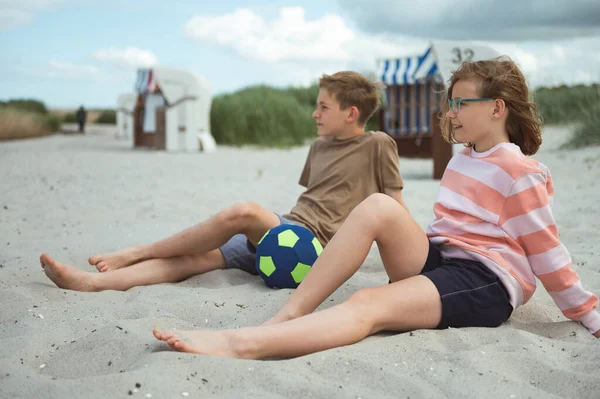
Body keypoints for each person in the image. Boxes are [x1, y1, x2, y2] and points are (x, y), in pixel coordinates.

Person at [152, 57, 600, 359]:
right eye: (451, 103)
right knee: (377, 205)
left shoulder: (520, 172)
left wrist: (587, 312)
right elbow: (446, 228)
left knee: (369, 303)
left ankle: (242, 344)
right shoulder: (465, 157)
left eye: (462, 103)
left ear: (498, 108)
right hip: (441, 258)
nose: (451, 112)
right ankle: (290, 314)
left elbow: (547, 252)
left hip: (484, 280)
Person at [40, 71, 405, 293]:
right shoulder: (319, 146)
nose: (315, 112)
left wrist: (413, 265)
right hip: (284, 234)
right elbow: (313, 198)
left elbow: (394, 207)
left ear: (351, 113)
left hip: (314, 248)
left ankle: (136, 251)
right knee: (193, 259)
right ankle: (92, 283)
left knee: (242, 212)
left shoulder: (378, 143)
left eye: (323, 107)